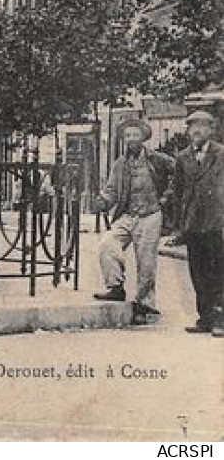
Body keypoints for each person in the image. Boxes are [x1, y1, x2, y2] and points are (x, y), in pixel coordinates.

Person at [93, 116, 174, 325]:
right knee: (107, 244)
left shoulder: (157, 159)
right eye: (127, 135)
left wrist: (166, 198)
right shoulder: (120, 164)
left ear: (143, 137)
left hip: (150, 214)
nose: (131, 139)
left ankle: (144, 305)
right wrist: (103, 201)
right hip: (127, 215)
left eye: (135, 135)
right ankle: (115, 288)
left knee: (146, 260)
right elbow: (111, 190)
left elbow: (177, 175)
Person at [171, 110, 224, 337]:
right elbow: (179, 192)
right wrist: (178, 224)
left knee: (218, 271)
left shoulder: (221, 154)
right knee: (198, 271)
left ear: (211, 130)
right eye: (192, 127)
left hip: (216, 221)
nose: (196, 131)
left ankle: (220, 320)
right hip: (193, 223)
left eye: (202, 127)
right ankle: (204, 318)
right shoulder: (183, 158)